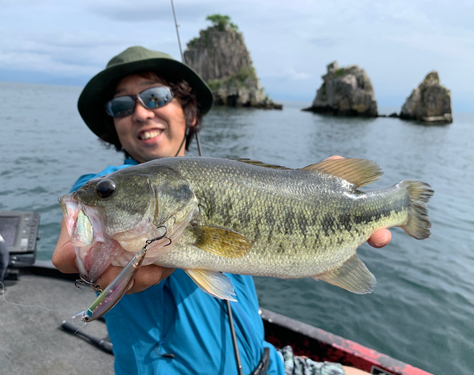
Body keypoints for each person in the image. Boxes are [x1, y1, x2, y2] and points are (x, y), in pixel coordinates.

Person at [52, 46, 391, 375]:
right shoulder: (97, 184)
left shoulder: (226, 178)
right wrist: (86, 254)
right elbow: (73, 247)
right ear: (114, 126)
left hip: (268, 364)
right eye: (122, 106)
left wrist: (323, 186)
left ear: (190, 113)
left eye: (156, 97)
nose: (141, 112)